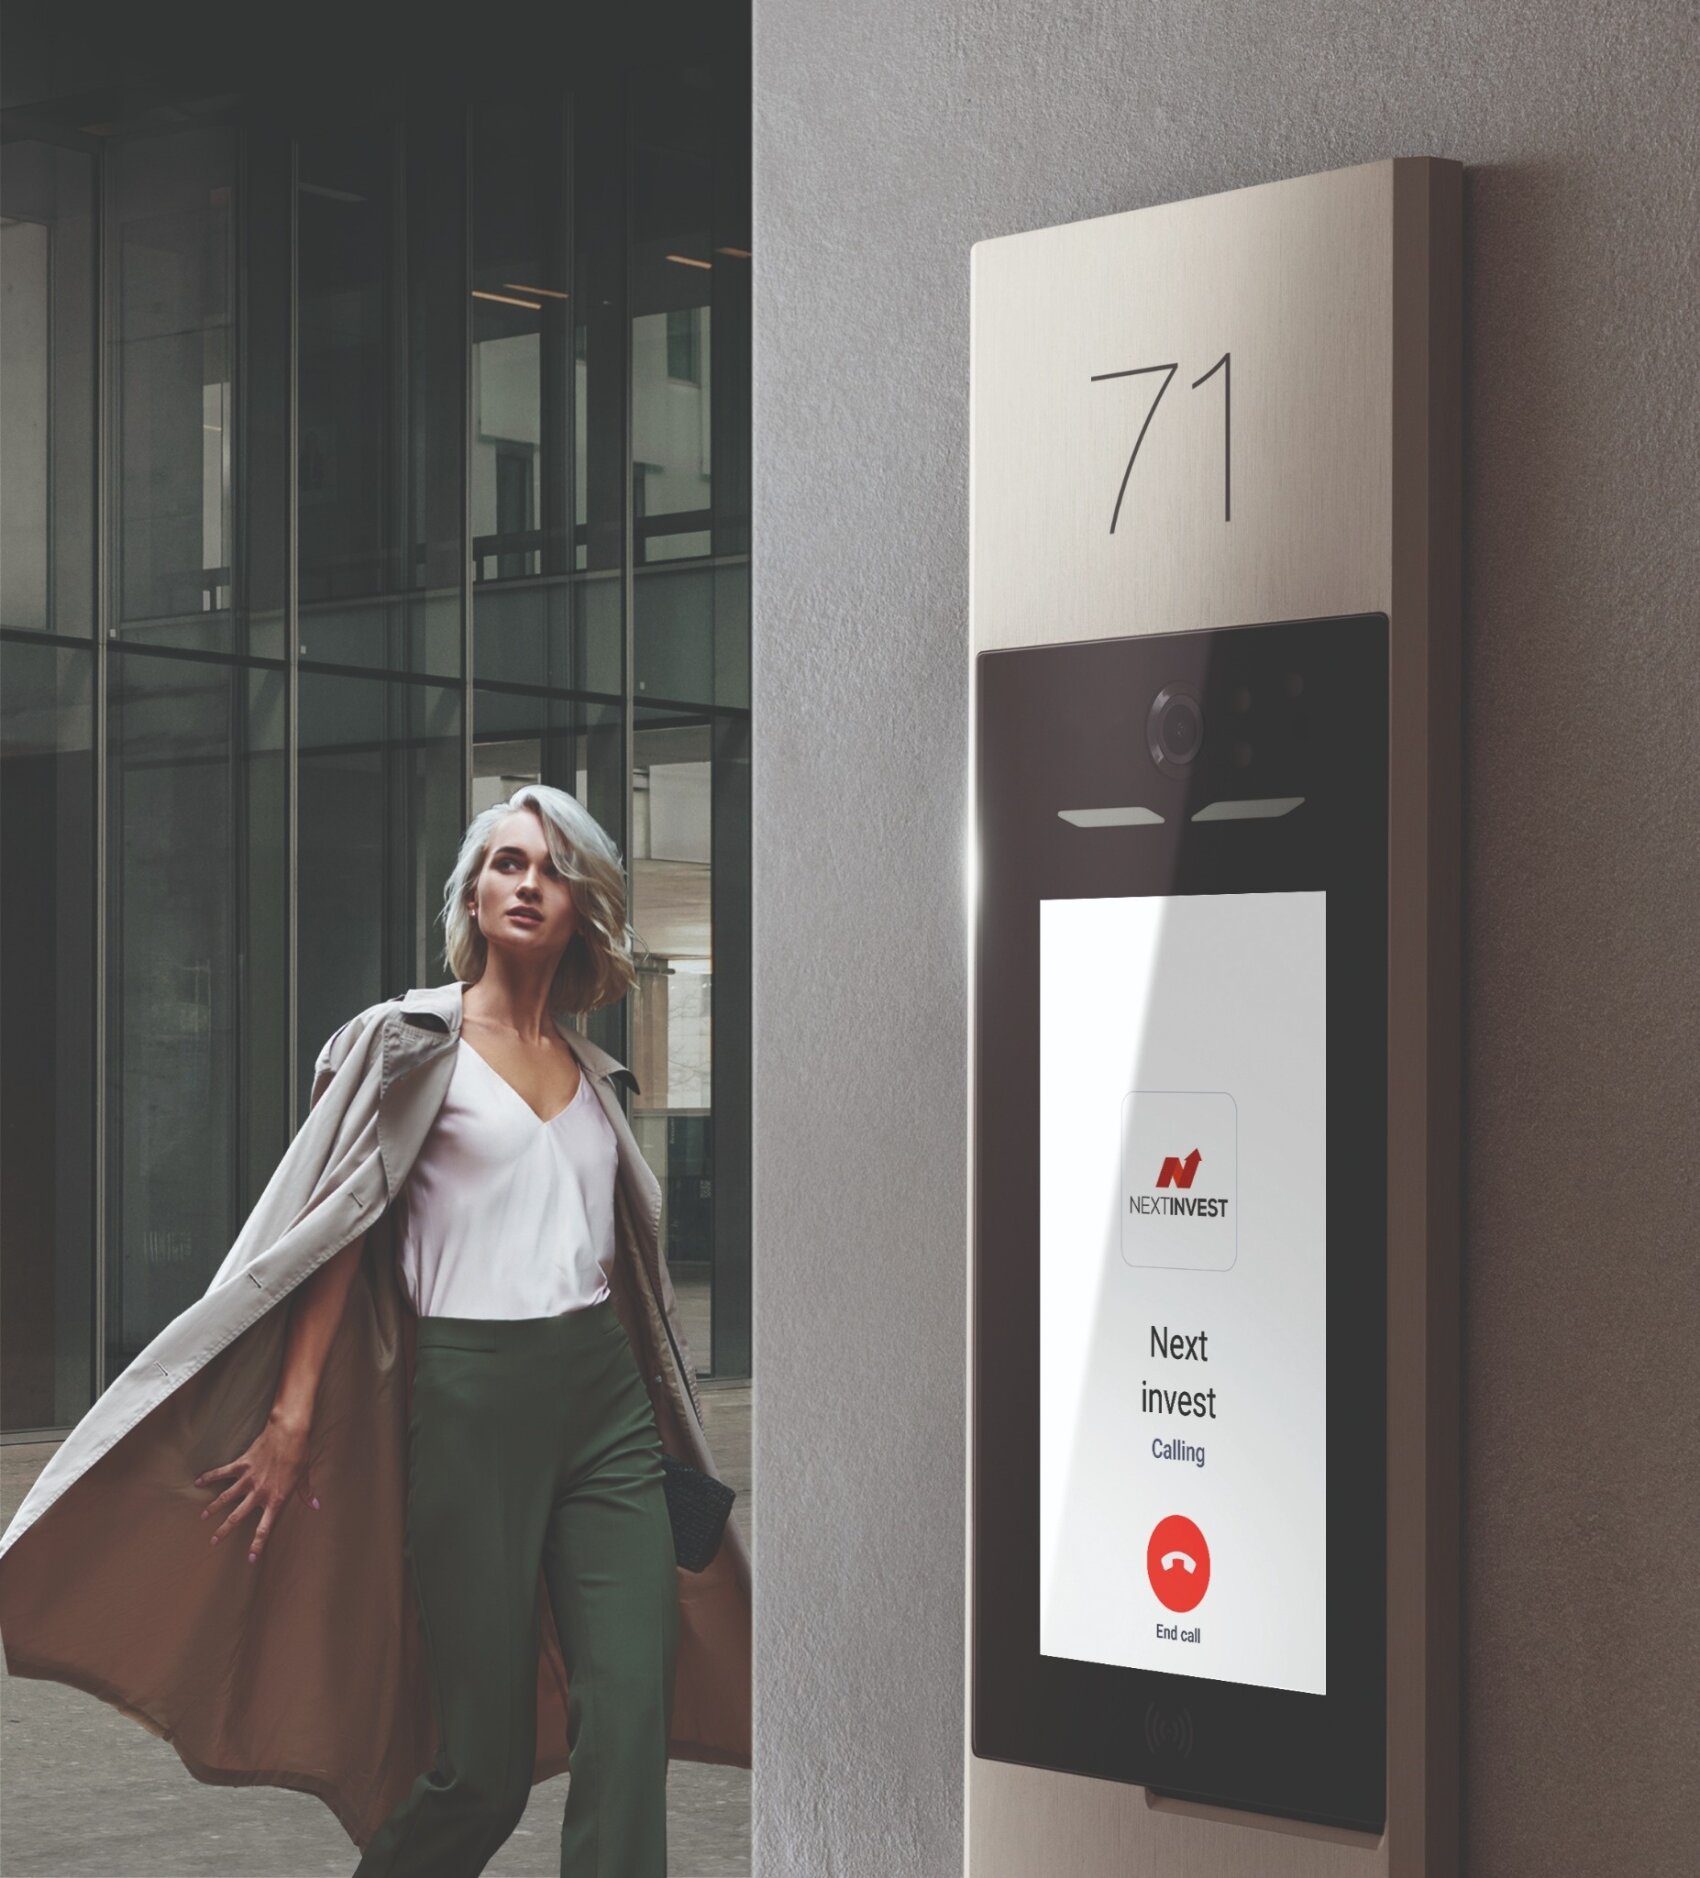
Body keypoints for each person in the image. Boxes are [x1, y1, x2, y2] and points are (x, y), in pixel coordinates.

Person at [190, 784, 682, 1876]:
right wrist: (291, 1415)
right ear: (472, 894)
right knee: (484, 1767)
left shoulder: (596, 1074)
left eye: (553, 870)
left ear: (582, 907)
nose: (528, 884)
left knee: (630, 1712)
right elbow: (336, 1234)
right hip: (469, 1403)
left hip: (605, 1405)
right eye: (508, 863)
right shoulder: (410, 1043)